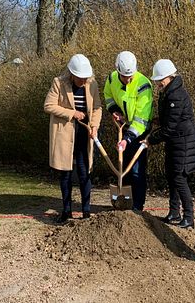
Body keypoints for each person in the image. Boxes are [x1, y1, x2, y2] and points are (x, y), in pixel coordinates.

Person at [143, 59, 195, 229]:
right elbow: (169, 119)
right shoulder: (168, 92)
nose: (158, 83)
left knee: (179, 178)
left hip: (184, 142)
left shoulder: (176, 95)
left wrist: (150, 140)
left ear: (169, 77)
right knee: (171, 176)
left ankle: (189, 217)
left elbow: (170, 127)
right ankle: (174, 212)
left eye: (161, 79)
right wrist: (155, 121)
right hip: (175, 141)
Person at [44, 54, 102, 223]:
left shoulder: (92, 84)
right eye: (80, 78)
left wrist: (95, 126)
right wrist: (72, 113)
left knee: (85, 172)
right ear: (72, 74)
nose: (83, 81)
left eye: (85, 78)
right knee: (65, 174)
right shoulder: (59, 83)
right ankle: (66, 210)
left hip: (85, 134)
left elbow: (97, 107)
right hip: (65, 134)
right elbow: (49, 105)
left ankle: (86, 211)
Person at [103, 51, 153, 211]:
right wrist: (114, 111)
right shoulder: (111, 79)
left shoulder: (143, 84)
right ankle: (126, 204)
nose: (128, 79)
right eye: (125, 76)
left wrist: (127, 139)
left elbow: (141, 119)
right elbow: (108, 96)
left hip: (140, 131)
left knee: (137, 171)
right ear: (117, 71)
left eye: (130, 76)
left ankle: (138, 207)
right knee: (125, 169)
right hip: (124, 128)